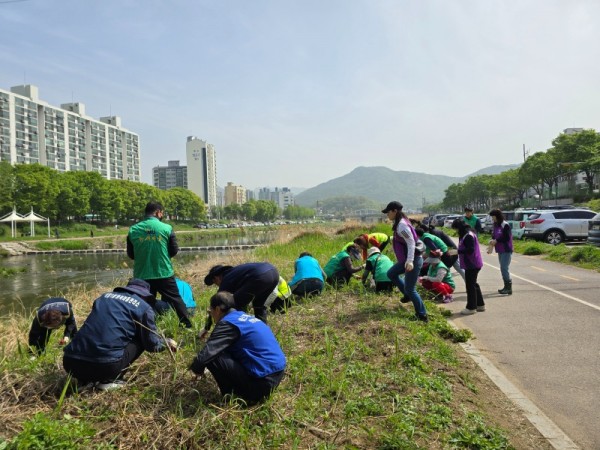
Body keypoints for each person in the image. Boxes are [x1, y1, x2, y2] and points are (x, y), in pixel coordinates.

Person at [63, 279, 178, 390]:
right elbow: (152, 345)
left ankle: (84, 380)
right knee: (142, 336)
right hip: (105, 367)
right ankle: (109, 380)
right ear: (144, 295)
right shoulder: (144, 307)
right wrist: (166, 343)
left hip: (70, 363)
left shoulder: (103, 298)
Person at [189, 291, 286, 404]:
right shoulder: (245, 318)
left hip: (261, 384)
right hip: (276, 376)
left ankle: (230, 397)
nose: (211, 315)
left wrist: (196, 369)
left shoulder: (227, 323)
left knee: (214, 355)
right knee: (223, 348)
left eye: (211, 312)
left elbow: (205, 355)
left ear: (218, 310)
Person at [126, 201, 192, 328]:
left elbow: (131, 254)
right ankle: (187, 326)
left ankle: (146, 328)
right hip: (163, 272)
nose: (162, 215)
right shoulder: (166, 228)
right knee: (176, 299)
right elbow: (174, 250)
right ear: (157, 212)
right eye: (162, 213)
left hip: (142, 274)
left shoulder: (133, 230)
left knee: (144, 302)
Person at [383, 201, 428, 322]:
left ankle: (422, 315)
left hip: (412, 260)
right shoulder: (400, 223)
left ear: (395, 211)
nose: (387, 214)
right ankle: (407, 295)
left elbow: (411, 242)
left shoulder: (402, 225)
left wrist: (410, 261)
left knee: (411, 288)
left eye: (388, 212)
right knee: (391, 273)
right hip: (406, 260)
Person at [204, 262, 279, 324]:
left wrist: (206, 328)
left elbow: (215, 305)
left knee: (235, 304)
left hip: (260, 276)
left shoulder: (226, 279)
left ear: (216, 278)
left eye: (215, 283)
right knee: (259, 305)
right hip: (274, 273)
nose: (218, 286)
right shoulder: (235, 273)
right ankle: (263, 330)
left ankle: (239, 331)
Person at [452, 219, 485, 315]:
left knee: (470, 286)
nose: (456, 231)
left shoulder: (468, 236)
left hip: (472, 264)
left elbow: (470, 250)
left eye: (456, 229)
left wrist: (458, 252)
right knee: (474, 284)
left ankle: (471, 307)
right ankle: (480, 304)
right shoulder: (466, 235)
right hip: (471, 263)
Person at [488, 209, 513, 295]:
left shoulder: (505, 225)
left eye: (493, 217)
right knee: (502, 268)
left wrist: (497, 240)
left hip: (506, 249)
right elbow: (494, 235)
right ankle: (506, 287)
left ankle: (508, 288)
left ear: (497, 216)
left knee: (504, 268)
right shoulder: (495, 225)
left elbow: (506, 238)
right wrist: (492, 241)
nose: (492, 219)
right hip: (499, 250)